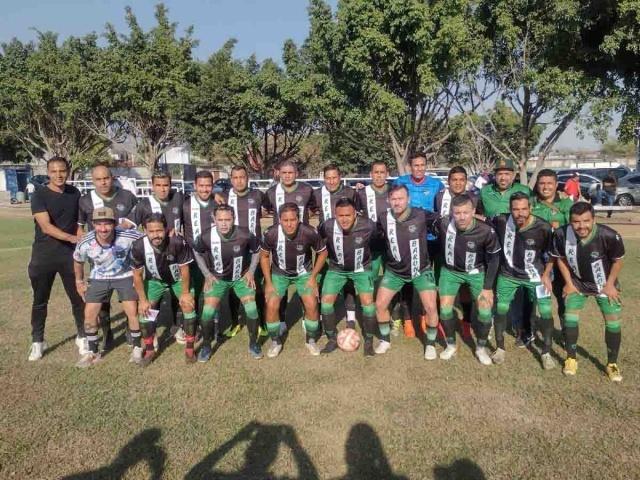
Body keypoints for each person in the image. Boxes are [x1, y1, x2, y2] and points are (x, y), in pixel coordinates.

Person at [551, 202, 625, 382]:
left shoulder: (609, 235)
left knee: (613, 322)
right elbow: (560, 259)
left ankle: (612, 364)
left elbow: (618, 260)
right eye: (576, 222)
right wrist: (569, 283)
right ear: (570, 221)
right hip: (578, 284)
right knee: (569, 318)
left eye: (586, 221)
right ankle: (571, 358)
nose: (581, 226)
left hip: (604, 285)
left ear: (594, 219)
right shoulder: (561, 234)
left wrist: (610, 285)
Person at [27, 156, 86, 361]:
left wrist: (79, 233)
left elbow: (80, 220)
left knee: (78, 299)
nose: (59, 175)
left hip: (69, 256)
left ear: (68, 171)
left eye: (62, 171)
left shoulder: (74, 193)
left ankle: (83, 336)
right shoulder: (39, 195)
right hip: (43, 256)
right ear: (48, 173)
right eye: (54, 171)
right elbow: (45, 226)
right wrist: (73, 238)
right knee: (40, 301)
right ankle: (37, 341)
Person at [490, 192, 555, 369]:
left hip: (535, 276)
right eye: (516, 209)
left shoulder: (543, 227)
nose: (520, 213)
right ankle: (500, 348)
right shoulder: (501, 221)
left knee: (546, 311)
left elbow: (552, 254)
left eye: (524, 209)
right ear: (510, 209)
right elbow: (482, 221)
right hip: (508, 275)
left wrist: (547, 274)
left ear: (530, 208)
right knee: (501, 308)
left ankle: (546, 352)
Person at [375, 185, 440, 359]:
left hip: (421, 270)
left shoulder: (421, 215)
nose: (397, 202)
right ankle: (385, 340)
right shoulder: (383, 218)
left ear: (408, 199)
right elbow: (374, 236)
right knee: (380, 305)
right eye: (394, 199)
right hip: (394, 271)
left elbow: (444, 221)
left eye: (401, 198)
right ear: (389, 200)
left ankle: (431, 345)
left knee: (431, 307)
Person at [73, 207, 143, 368]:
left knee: (132, 311)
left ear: (114, 223)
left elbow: (149, 239)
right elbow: (78, 260)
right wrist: (79, 281)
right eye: (99, 224)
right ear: (92, 224)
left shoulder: (128, 236)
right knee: (89, 313)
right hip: (99, 278)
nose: (103, 229)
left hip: (124, 276)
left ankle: (137, 348)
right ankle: (92, 351)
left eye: (107, 224)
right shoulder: (86, 242)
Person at [77, 165, 138, 350]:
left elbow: (138, 223)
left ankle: (130, 331)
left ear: (112, 177)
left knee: (129, 300)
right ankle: (107, 333)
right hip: (99, 260)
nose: (103, 182)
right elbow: (80, 227)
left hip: (125, 260)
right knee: (101, 302)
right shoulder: (85, 200)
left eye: (106, 178)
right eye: (98, 179)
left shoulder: (127, 196)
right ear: (92, 180)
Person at [192, 205, 262, 362]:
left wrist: (251, 271)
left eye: (227, 220)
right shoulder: (206, 236)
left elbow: (257, 250)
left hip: (240, 278)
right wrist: (207, 274)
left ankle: (253, 344)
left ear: (234, 219)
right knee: (207, 312)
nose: (224, 224)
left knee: (251, 309)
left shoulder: (244, 234)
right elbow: (196, 251)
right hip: (218, 279)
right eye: (220, 220)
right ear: (214, 220)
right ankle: (207, 346)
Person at [437, 194, 500, 365]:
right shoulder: (443, 224)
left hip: (476, 272)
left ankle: (480, 348)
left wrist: (488, 288)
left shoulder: (486, 230)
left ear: (473, 211)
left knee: (485, 310)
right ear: (452, 212)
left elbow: (494, 259)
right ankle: (450, 345)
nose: (462, 217)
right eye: (457, 213)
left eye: (466, 212)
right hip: (450, 272)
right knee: (444, 309)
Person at [259, 202, 328, 358]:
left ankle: (311, 340)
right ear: (279, 220)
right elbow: (263, 256)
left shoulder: (309, 232)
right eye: (285, 220)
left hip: (303, 273)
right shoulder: (271, 233)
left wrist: (313, 277)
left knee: (311, 304)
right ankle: (276, 342)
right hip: (279, 273)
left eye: (293, 220)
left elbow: (322, 253)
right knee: (271, 305)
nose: (289, 224)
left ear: (298, 219)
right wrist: (268, 283)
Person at [479, 159, 534, 347]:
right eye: (500, 173)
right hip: (492, 248)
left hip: (518, 249)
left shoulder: (524, 191)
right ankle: (490, 325)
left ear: (514, 175)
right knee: (491, 287)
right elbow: (479, 214)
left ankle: (521, 330)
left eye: (507, 173)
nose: (503, 177)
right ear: (495, 175)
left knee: (518, 291)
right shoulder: (485, 191)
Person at [131, 213, 196, 366]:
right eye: (151, 231)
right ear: (145, 230)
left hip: (177, 280)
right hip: (155, 281)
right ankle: (149, 349)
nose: (156, 235)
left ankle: (190, 350)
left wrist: (185, 293)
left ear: (166, 229)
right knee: (146, 312)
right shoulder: (138, 246)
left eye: (159, 230)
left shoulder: (177, 242)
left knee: (188, 306)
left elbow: (185, 269)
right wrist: (143, 300)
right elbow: (137, 275)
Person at [318, 198, 378, 356]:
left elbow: (376, 242)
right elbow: (320, 242)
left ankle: (369, 342)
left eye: (348, 215)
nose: (344, 219)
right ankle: (331, 339)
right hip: (336, 269)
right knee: (325, 304)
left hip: (361, 268)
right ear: (335, 215)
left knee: (368, 305)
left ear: (355, 214)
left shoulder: (368, 225)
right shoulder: (327, 226)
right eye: (340, 215)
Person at [394, 152, 444, 338]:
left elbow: (441, 210)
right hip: (406, 240)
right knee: (407, 279)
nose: (419, 169)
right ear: (410, 167)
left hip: (429, 240)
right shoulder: (400, 181)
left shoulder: (436, 184)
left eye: (422, 165)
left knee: (427, 280)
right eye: (416, 165)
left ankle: (425, 316)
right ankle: (407, 320)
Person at [215, 165, 268, 338]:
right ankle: (235, 322)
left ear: (248, 178)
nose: (239, 180)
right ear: (231, 179)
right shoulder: (223, 197)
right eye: (235, 177)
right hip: (232, 249)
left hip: (254, 249)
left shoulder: (258, 195)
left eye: (242, 177)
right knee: (232, 287)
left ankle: (262, 323)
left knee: (257, 286)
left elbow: (270, 209)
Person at [312, 164, 359, 329]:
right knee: (322, 277)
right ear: (323, 179)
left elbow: (359, 213)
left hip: (346, 242)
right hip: (325, 244)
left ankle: (351, 316)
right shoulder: (316, 194)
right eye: (328, 178)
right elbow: (308, 211)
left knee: (347, 279)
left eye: (334, 177)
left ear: (340, 177)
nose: (331, 181)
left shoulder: (351, 193)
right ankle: (318, 315)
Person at [434, 166, 478, 340]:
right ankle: (439, 320)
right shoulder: (439, 197)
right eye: (454, 179)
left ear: (466, 181)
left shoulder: (474, 198)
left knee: (466, 289)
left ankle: (466, 321)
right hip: (443, 249)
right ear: (449, 181)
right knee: (440, 285)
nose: (458, 183)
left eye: (462, 179)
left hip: (467, 251)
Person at [532, 169, 574, 327]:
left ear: (556, 185)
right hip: (537, 259)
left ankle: (565, 331)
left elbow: (573, 229)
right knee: (537, 297)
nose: (545, 187)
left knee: (563, 297)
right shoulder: (531, 204)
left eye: (549, 183)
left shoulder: (565, 204)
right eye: (542, 183)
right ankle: (532, 330)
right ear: (537, 185)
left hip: (560, 260)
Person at [263, 160, 316, 225]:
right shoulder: (271, 192)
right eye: (284, 173)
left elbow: (313, 209)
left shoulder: (307, 189)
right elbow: (265, 211)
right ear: (279, 174)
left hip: (302, 233)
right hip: (280, 234)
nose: (287, 176)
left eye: (290, 172)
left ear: (296, 174)